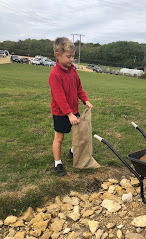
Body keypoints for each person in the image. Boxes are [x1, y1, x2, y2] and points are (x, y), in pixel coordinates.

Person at [49, 37, 93, 176]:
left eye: (73, 56)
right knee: (59, 138)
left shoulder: (73, 70)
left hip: (74, 111)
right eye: (68, 56)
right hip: (61, 113)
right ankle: (58, 163)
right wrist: (69, 114)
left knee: (78, 135)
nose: (71, 59)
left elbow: (79, 88)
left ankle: (73, 152)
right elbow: (59, 98)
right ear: (58, 55)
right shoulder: (55, 74)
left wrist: (85, 100)